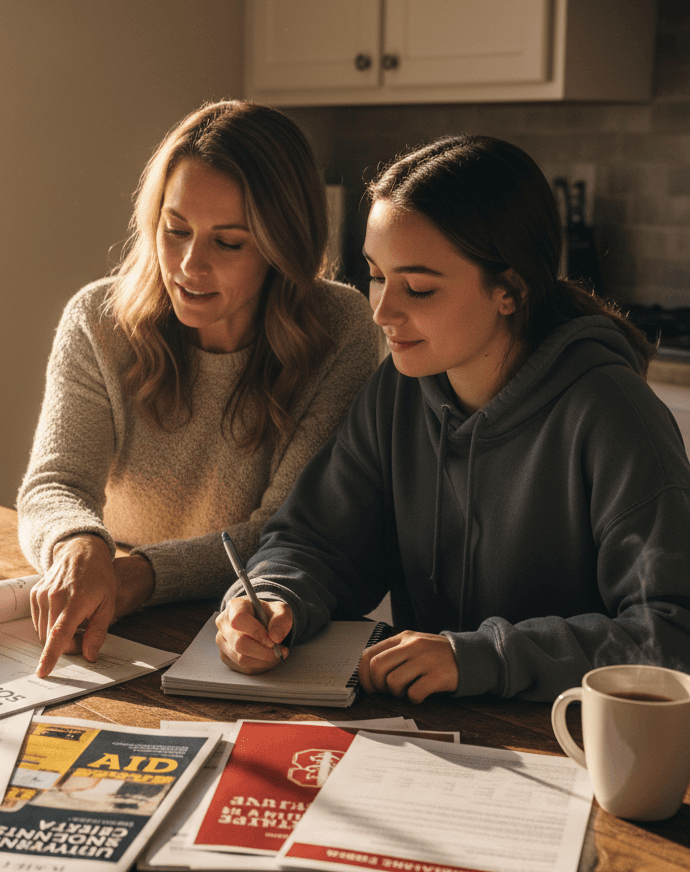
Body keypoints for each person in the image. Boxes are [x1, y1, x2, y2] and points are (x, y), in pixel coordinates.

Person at [215, 133, 690, 704]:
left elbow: (670, 635)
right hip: (435, 736)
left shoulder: (616, 416)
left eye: (417, 287)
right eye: (375, 275)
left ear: (509, 290)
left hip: (570, 748)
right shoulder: (398, 390)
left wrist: (483, 657)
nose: (382, 310)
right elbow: (314, 542)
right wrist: (272, 597)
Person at [18, 100, 380, 676]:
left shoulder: (341, 328)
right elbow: (55, 484)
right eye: (176, 230)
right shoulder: (97, 319)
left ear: (281, 244)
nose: (189, 264)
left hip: (250, 630)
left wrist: (137, 575)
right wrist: (77, 543)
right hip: (116, 621)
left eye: (228, 242)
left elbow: (285, 530)